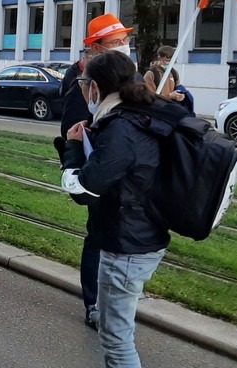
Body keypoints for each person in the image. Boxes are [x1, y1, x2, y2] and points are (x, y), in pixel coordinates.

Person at [62, 50, 170, 367]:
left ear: (95, 88)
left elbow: (82, 190)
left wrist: (72, 149)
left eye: (83, 83)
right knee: (117, 335)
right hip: (144, 234)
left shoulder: (120, 129)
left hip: (126, 245)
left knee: (116, 339)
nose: (81, 89)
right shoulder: (141, 114)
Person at [58, 13, 133, 329]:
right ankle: (95, 303)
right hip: (100, 175)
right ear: (97, 48)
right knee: (98, 238)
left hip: (127, 179)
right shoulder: (82, 83)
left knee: (120, 240)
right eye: (116, 43)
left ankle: (114, 300)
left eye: (125, 41)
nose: (124, 47)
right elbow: (71, 129)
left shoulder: (129, 77)